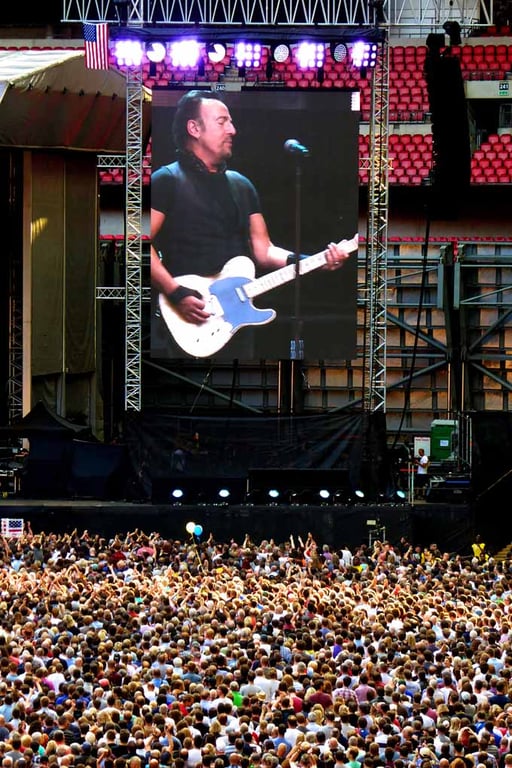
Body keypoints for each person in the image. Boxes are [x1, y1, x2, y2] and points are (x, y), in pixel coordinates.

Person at [150, 89, 354, 358]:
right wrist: (176, 293)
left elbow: (264, 251)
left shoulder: (241, 185)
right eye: (222, 122)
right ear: (194, 128)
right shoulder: (167, 180)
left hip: (234, 324)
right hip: (186, 319)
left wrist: (317, 260)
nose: (232, 130)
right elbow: (141, 245)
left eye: (231, 122)